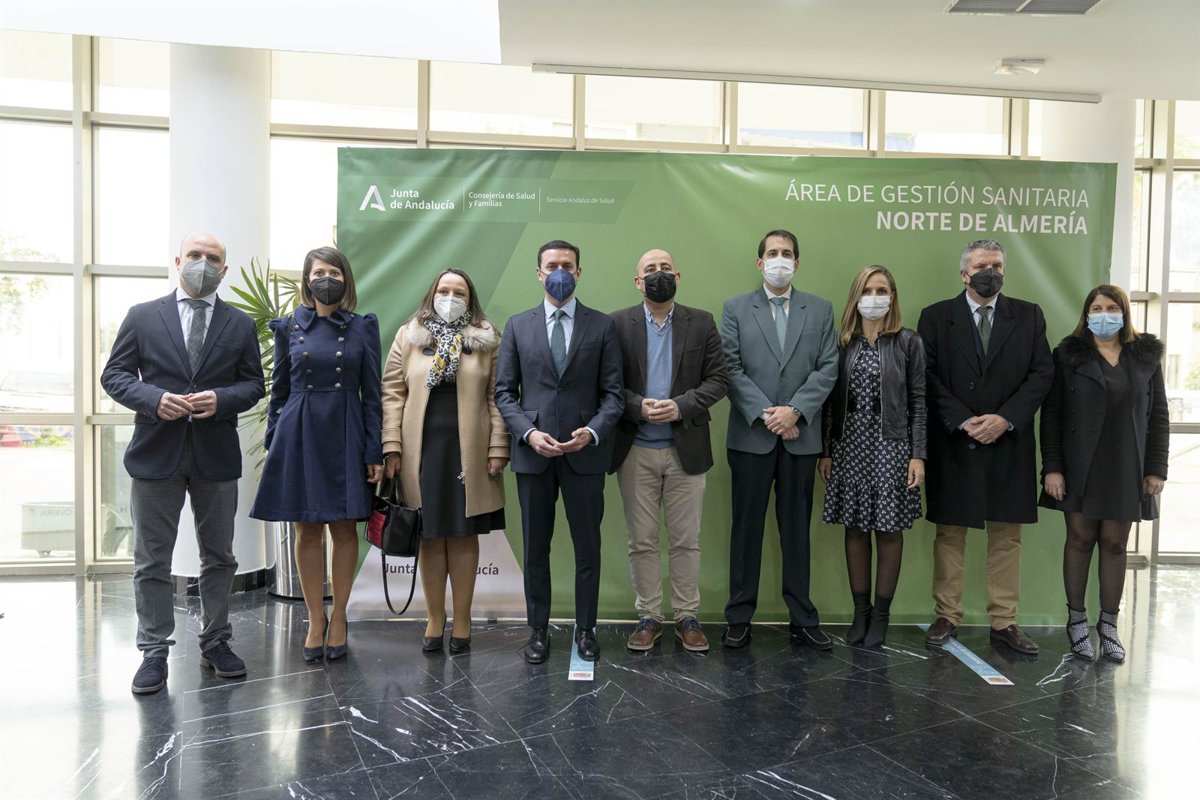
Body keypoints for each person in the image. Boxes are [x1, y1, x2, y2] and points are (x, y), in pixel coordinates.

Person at [101, 232, 265, 694]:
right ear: (178, 261)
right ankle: (154, 651)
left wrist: (222, 399)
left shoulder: (239, 324)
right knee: (152, 559)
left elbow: (254, 384)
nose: (203, 263)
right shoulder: (142, 316)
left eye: (213, 258)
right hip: (156, 454)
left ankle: (216, 641)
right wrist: (154, 399)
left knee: (220, 556)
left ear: (224, 270)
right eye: (195, 255)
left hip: (216, 456)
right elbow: (114, 375)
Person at [918, 239, 1053, 654]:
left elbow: (1041, 374)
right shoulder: (935, 317)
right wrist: (963, 420)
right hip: (955, 442)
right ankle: (947, 615)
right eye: (981, 266)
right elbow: (926, 377)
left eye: (996, 264)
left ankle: (1004, 622)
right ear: (964, 274)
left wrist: (1005, 419)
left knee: (1007, 536)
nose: (989, 272)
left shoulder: (1028, 315)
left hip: (1008, 441)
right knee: (950, 533)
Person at [494, 239, 624, 664]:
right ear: (538, 273)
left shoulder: (602, 326)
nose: (560, 272)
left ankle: (586, 629)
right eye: (552, 265)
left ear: (579, 272)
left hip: (585, 456)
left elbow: (614, 395)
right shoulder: (518, 326)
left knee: (588, 548)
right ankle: (537, 631)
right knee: (536, 548)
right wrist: (529, 434)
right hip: (534, 457)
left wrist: (592, 431)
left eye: (568, 265)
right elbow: (504, 393)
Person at [250, 246, 382, 662]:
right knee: (306, 530)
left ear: (346, 279)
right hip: (299, 431)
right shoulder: (289, 327)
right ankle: (314, 619)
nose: (327, 279)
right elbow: (279, 391)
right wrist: (275, 441)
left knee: (343, 529)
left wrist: (374, 449)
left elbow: (373, 395)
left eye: (335, 273)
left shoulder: (362, 327)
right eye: (319, 272)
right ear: (307, 280)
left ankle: (339, 616)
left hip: (345, 430)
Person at [720, 229, 838, 650]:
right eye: (772, 253)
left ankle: (802, 618)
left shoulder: (820, 310)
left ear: (797, 263)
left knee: (797, 532)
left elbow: (828, 367)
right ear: (759, 262)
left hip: (800, 438)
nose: (780, 259)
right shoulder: (735, 308)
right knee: (746, 531)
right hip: (752, 436)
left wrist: (795, 411)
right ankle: (738, 616)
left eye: (787, 253)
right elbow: (730, 368)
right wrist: (770, 415)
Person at [381, 268, 508, 655]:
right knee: (431, 535)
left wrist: (498, 446)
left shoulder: (488, 338)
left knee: (464, 536)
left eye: (459, 292)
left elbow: (498, 396)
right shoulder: (409, 336)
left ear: (470, 301)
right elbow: (392, 393)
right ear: (431, 294)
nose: (450, 297)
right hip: (420, 449)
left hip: (471, 450)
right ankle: (435, 618)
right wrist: (391, 445)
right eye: (444, 290)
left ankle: (463, 620)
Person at [1039, 284, 1168, 662]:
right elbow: (1052, 416)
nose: (1104, 315)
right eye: (1096, 308)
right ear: (1086, 314)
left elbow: (1159, 416)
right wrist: (1052, 468)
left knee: (1114, 543)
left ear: (1124, 313)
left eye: (1111, 308)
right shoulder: (1068, 355)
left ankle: (1108, 625)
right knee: (1080, 539)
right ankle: (1077, 622)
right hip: (1079, 463)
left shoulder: (1145, 357)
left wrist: (1156, 468)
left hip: (1128, 463)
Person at [610, 248, 729, 653]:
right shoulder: (617, 324)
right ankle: (648, 616)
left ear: (678, 276)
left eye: (665, 268)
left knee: (686, 540)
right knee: (641, 540)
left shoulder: (702, 322)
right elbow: (607, 384)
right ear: (637, 281)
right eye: (650, 269)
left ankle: (686, 616)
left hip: (686, 450)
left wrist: (680, 406)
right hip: (635, 449)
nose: (658, 274)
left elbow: (719, 380)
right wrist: (636, 406)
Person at [819, 265, 926, 649]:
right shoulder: (841, 343)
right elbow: (829, 402)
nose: (875, 297)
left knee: (889, 531)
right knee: (855, 529)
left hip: (891, 446)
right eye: (868, 290)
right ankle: (860, 613)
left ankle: (881, 616)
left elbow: (919, 401)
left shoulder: (908, 342)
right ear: (856, 296)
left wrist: (918, 455)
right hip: (849, 445)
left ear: (892, 297)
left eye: (882, 290)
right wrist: (826, 450)